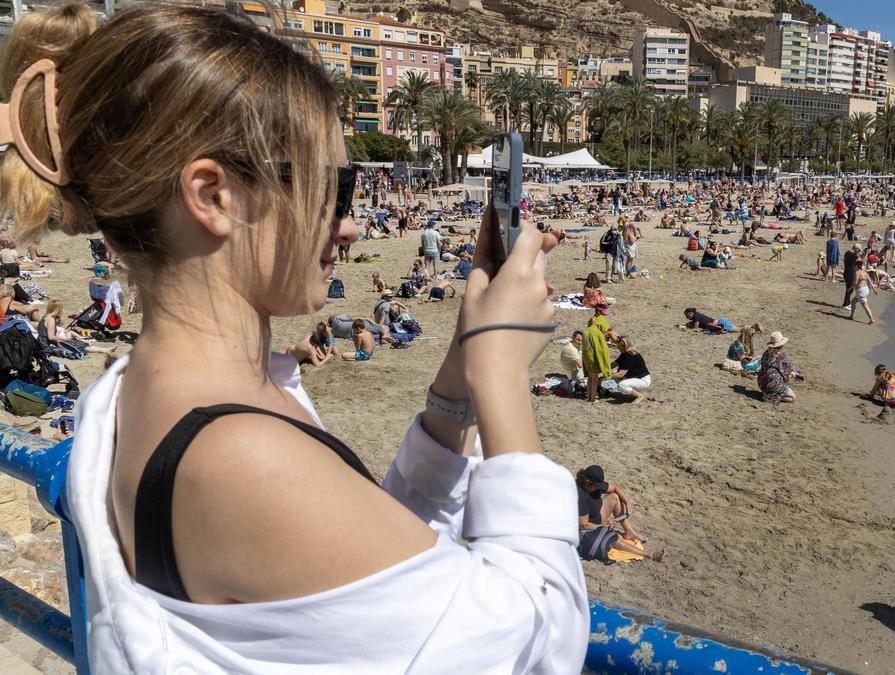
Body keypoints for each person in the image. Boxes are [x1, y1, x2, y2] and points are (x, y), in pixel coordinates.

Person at [0, 4, 587, 670]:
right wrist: (502, 373)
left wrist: (457, 382)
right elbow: (538, 637)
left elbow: (354, 570)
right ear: (214, 195)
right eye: (334, 190)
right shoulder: (238, 456)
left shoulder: (147, 393)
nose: (350, 227)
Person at [576, 466, 663, 562]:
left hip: (596, 515)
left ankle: (630, 533)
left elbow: (615, 488)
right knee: (613, 538)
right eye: (596, 486)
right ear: (588, 483)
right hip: (584, 528)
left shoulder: (592, 485)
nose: (598, 488)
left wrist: (627, 502)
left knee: (614, 497)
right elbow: (584, 524)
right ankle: (648, 555)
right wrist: (602, 527)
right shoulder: (580, 496)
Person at [757, 331, 798, 404]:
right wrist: (792, 374)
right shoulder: (779, 356)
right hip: (773, 384)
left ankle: (771, 393)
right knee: (792, 397)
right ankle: (774, 396)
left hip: (762, 382)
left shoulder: (766, 353)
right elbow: (785, 373)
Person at [610, 336, 650, 404]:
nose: (618, 348)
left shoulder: (630, 355)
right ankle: (633, 393)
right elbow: (613, 365)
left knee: (621, 385)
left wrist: (606, 375)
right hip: (634, 378)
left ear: (624, 346)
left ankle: (639, 396)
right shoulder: (624, 354)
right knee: (609, 382)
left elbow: (621, 374)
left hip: (642, 380)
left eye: (619, 346)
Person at [582, 314, 612, 402]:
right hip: (593, 357)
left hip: (586, 357)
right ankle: (592, 398)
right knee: (594, 379)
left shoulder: (586, 330)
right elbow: (601, 349)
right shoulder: (597, 333)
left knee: (590, 378)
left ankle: (588, 397)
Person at [848, 260, 876, 325]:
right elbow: (870, 282)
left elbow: (855, 282)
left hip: (861, 290)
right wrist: (874, 289)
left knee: (865, 306)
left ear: (857, 266)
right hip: (866, 289)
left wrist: (850, 288)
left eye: (854, 266)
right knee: (852, 302)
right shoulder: (865, 272)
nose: (853, 267)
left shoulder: (857, 272)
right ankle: (851, 316)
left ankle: (871, 319)